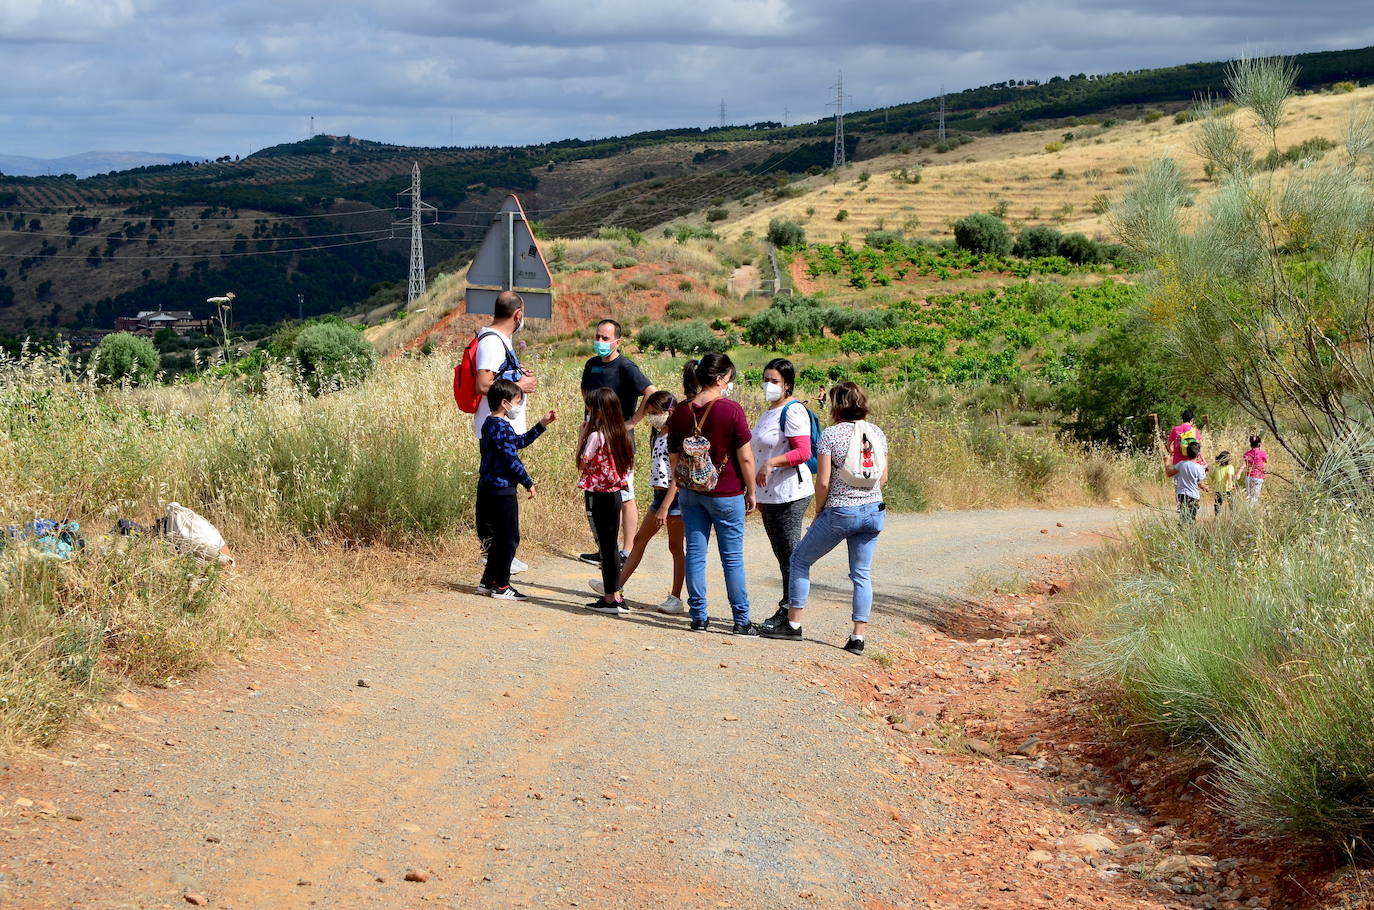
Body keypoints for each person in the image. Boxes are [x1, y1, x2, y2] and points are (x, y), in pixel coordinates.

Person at [763, 382, 888, 655]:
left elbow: (822, 482)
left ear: (836, 405)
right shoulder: (877, 433)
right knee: (861, 574)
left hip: (841, 511)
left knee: (800, 559)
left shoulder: (831, 435)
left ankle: (793, 625)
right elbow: (884, 476)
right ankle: (858, 637)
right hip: (874, 510)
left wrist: (820, 510)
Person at [666, 354, 758, 635]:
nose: (730, 382)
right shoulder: (731, 410)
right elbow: (745, 459)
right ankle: (741, 620)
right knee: (731, 558)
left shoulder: (681, 411)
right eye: (729, 377)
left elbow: (673, 457)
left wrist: (684, 482)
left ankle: (699, 617)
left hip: (691, 493)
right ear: (719, 379)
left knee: (695, 552)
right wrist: (752, 491)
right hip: (727, 492)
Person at [589, 390, 685, 613]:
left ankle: (676, 597)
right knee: (640, 540)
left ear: (669, 411)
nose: (651, 417)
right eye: (649, 413)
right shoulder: (660, 433)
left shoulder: (675, 436)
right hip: (659, 497)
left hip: (673, 499)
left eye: (654, 413)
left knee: (675, 547)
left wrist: (664, 507)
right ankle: (615, 586)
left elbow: (677, 477)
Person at [579, 318, 658, 565]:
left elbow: (651, 392)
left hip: (619, 440)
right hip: (594, 437)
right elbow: (585, 390)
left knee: (625, 493)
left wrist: (633, 421)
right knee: (598, 491)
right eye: (598, 337)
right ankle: (605, 548)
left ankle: (627, 551)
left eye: (605, 338)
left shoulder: (626, 367)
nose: (600, 342)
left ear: (617, 341)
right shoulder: (591, 364)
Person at [472, 290, 539, 574]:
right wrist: (520, 386)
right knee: (497, 498)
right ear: (518, 315)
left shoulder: (502, 342)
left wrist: (517, 377)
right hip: (495, 429)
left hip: (503, 428)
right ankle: (495, 556)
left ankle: (500, 556)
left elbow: (499, 377)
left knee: (501, 496)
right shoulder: (492, 342)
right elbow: (483, 384)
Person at [476, 379, 557, 601]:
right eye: (517, 401)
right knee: (509, 538)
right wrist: (528, 482)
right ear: (505, 403)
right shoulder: (501, 427)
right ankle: (502, 585)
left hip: (488, 488)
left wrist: (541, 424)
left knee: (498, 537)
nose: (518, 406)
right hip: (502, 491)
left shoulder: (490, 424)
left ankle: (488, 581)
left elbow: (517, 442)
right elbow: (510, 459)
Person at [750, 358, 816, 629]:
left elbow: (803, 451)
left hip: (790, 492)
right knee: (782, 554)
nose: (768, 385)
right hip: (771, 494)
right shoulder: (769, 412)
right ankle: (787, 609)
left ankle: (791, 617)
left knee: (791, 554)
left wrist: (770, 464)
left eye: (774, 381)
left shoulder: (793, 411)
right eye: (765, 379)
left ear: (787, 385)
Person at [577, 387, 635, 615]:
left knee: (605, 545)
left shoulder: (596, 436)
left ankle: (611, 597)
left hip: (599, 494)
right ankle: (614, 594)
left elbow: (582, 463)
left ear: (598, 411)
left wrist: (582, 435)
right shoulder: (621, 433)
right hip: (616, 494)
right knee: (611, 544)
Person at [1166, 440, 1207, 523]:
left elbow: (1169, 474)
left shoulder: (1181, 464)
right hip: (1193, 496)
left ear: (1186, 453)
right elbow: (1201, 484)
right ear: (1198, 454)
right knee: (1191, 519)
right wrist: (1206, 488)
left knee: (1183, 517)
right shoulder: (1199, 468)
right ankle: (1188, 533)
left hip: (1181, 495)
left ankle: (1182, 531)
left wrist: (1166, 462)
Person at [1207, 451, 1236, 515]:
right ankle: (1233, 515)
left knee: (1218, 504)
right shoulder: (1230, 467)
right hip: (1227, 489)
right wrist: (1231, 486)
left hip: (1218, 489)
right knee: (1231, 503)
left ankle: (1217, 517)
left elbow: (1213, 478)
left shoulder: (1217, 468)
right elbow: (1229, 477)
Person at [1243, 435, 1268, 505]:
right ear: (1259, 444)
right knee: (1254, 498)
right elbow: (1266, 460)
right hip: (1258, 477)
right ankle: (1251, 513)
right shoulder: (1262, 453)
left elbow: (1245, 462)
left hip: (1249, 476)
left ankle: (1248, 510)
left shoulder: (1246, 453)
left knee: (1249, 496)